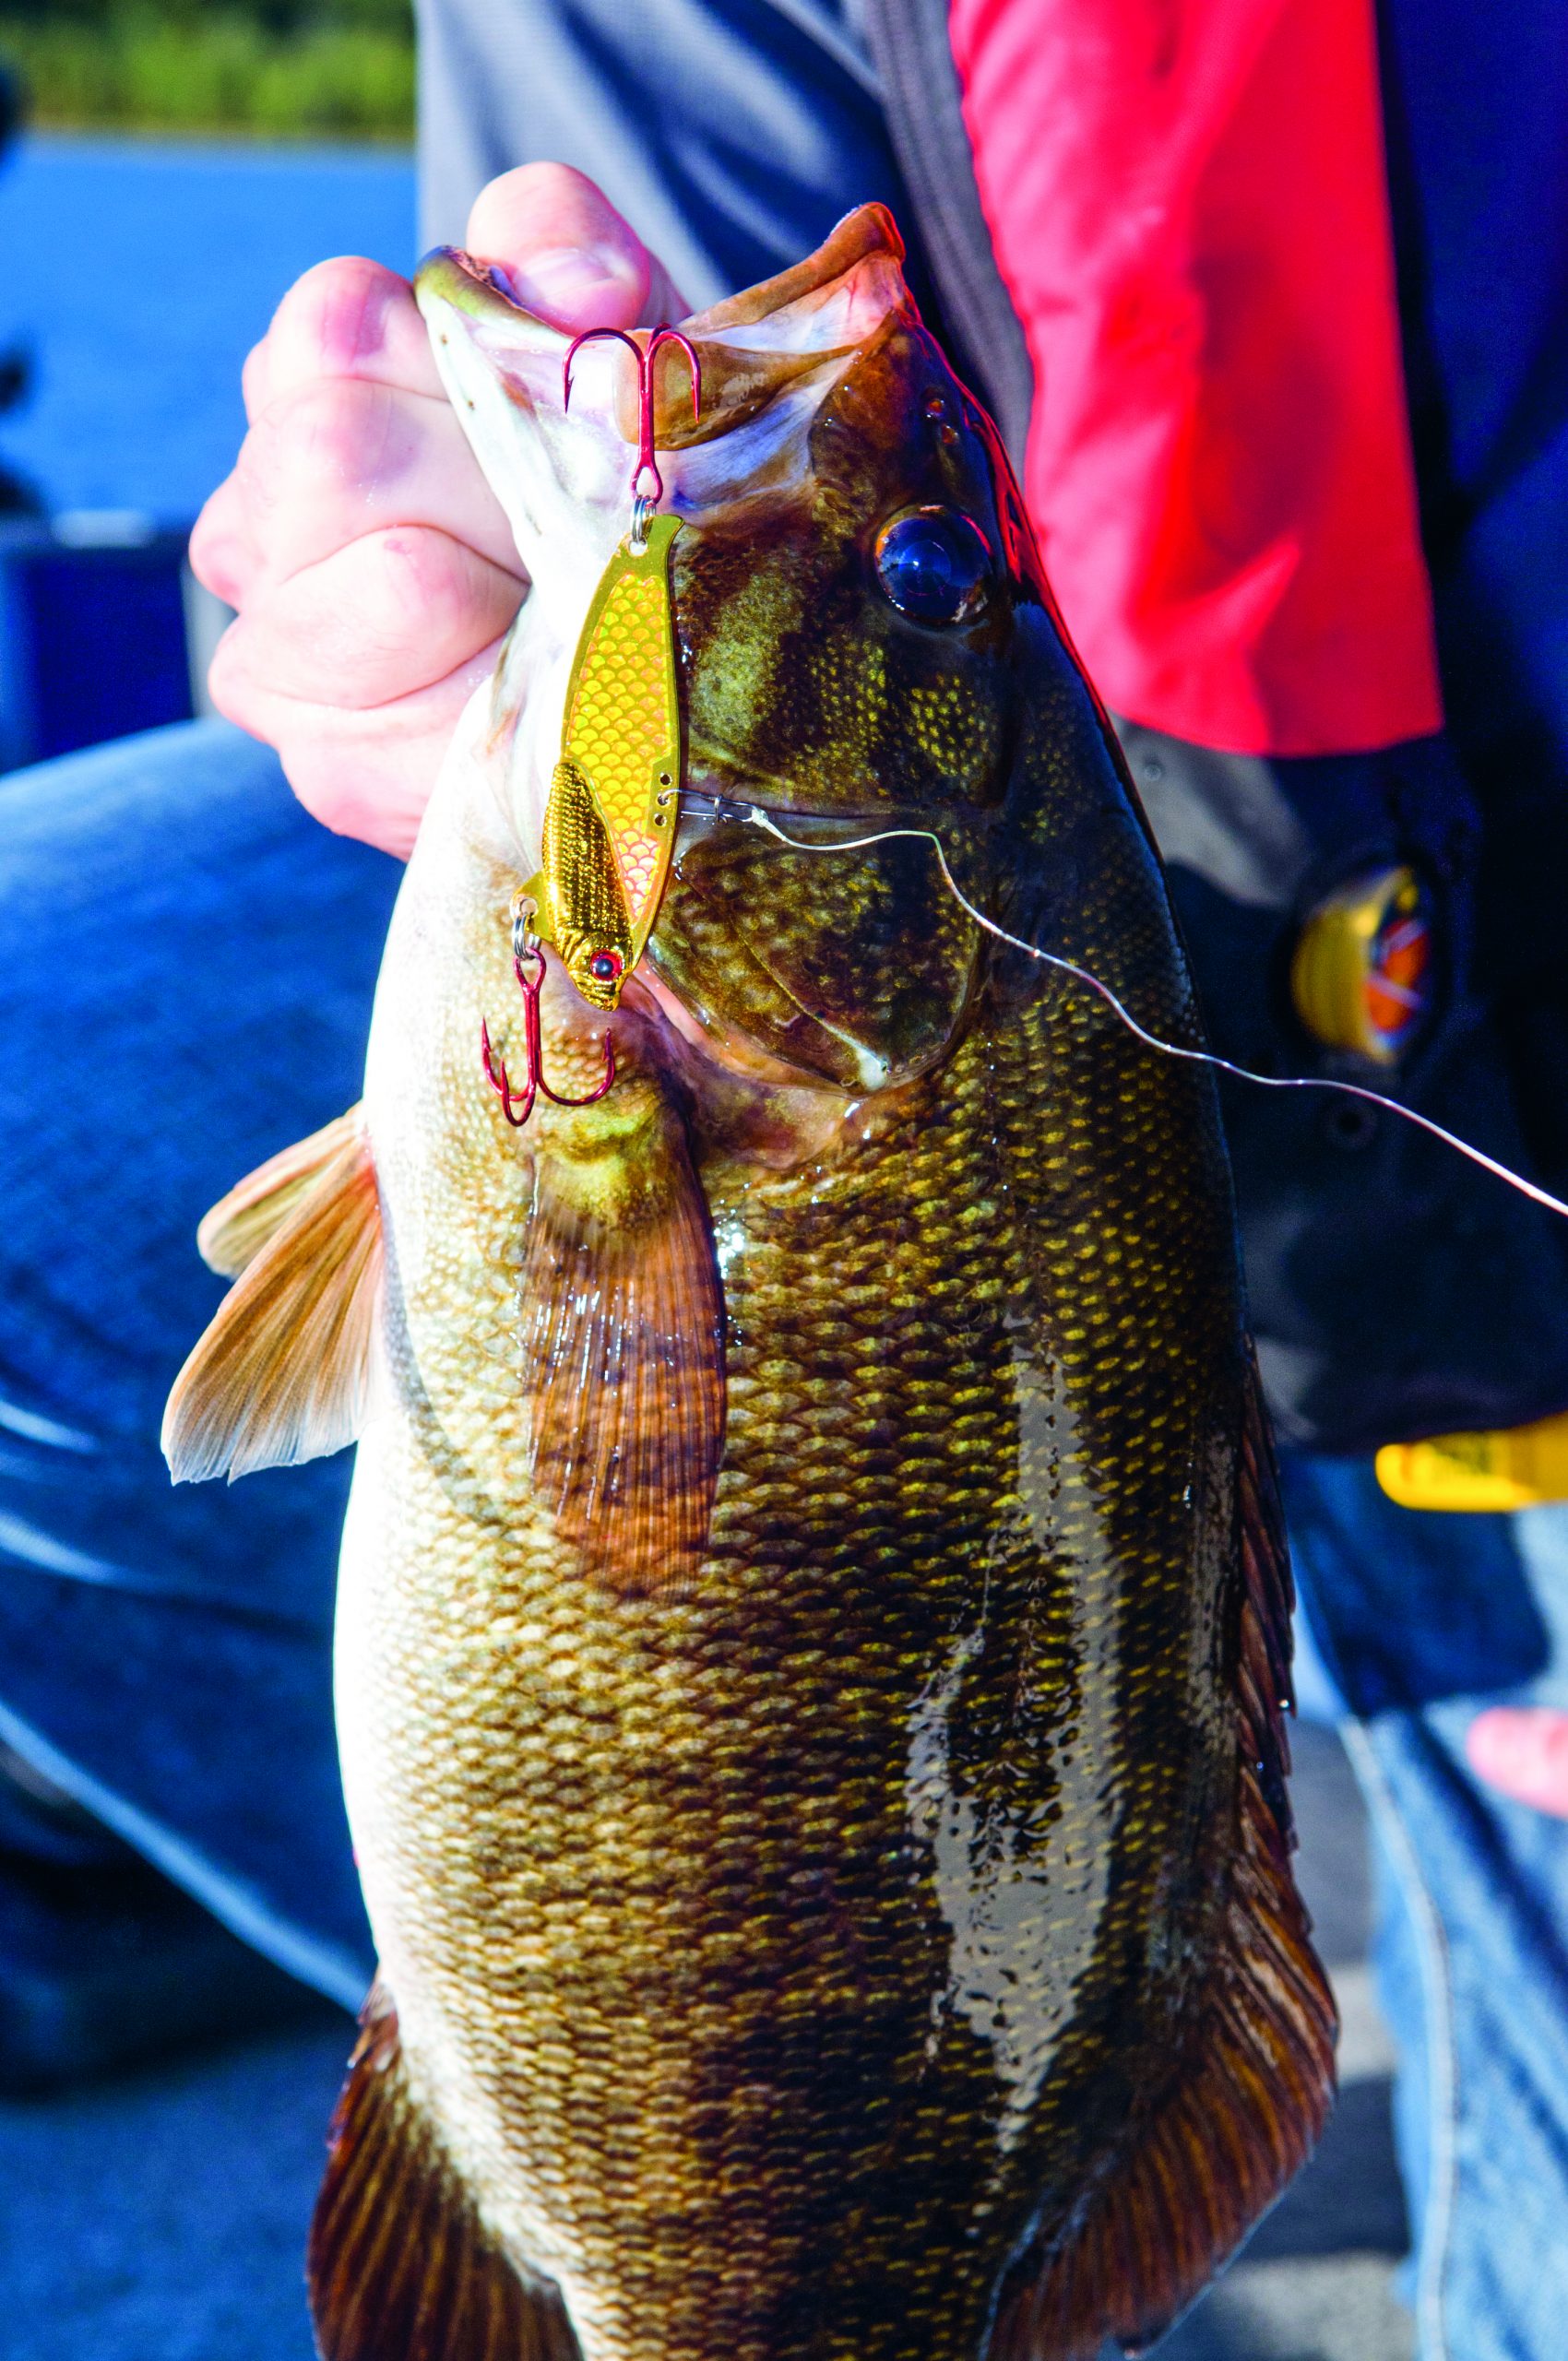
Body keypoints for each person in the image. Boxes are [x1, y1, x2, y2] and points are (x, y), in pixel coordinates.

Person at [5, 0, 1568, 2350]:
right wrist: (414, 551)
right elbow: (626, 391)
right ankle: (656, 2034)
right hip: (1121, 1113)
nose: (838, 321)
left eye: (928, 566)